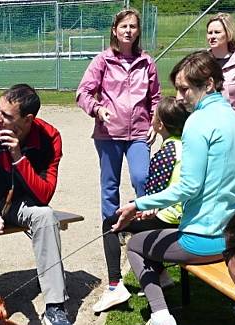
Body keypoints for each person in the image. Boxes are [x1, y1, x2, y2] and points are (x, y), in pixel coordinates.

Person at [114, 51, 235, 325]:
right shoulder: (233, 118)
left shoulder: (198, 123)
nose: (180, 96)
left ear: (208, 84)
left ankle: (161, 318)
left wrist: (137, 204)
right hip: (231, 234)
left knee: (135, 245)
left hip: (204, 239)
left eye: (185, 88)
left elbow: (188, 188)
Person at [0, 84, 73, 325]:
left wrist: (17, 156)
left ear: (28, 120)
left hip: (24, 202)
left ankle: (55, 306)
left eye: (7, 115)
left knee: (46, 217)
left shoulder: (50, 137)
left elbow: (44, 194)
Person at [77, 8, 161, 306]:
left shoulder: (146, 61)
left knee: (143, 181)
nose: (128, 31)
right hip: (108, 135)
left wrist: (155, 123)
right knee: (109, 192)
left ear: (138, 31)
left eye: (133, 26)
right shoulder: (102, 60)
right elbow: (83, 93)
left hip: (138, 133)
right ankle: (115, 278)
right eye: (124, 26)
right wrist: (97, 110)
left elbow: (156, 98)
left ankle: (152, 260)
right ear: (115, 30)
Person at [94, 97, 190, 313]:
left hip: (170, 218)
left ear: (159, 124)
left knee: (111, 223)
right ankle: (162, 276)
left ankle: (114, 285)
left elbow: (153, 195)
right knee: (138, 223)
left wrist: (135, 208)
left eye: (153, 115)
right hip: (184, 215)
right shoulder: (185, 145)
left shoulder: (167, 151)